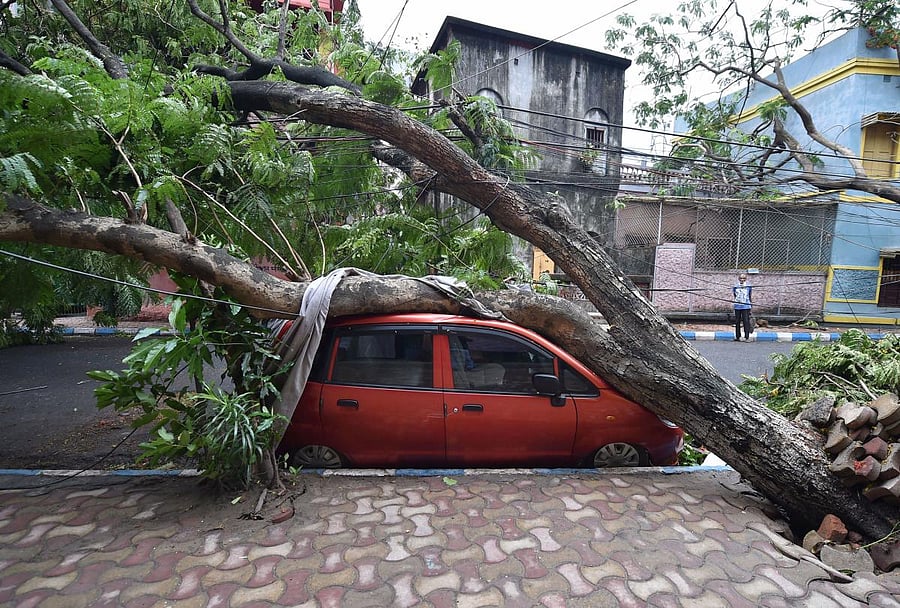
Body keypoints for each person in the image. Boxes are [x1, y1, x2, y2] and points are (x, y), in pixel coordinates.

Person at [732, 273, 753, 341]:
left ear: (745, 279)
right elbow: (735, 295)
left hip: (746, 306)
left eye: (744, 278)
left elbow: (749, 295)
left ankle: (747, 337)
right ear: (739, 279)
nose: (742, 280)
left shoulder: (748, 286)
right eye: (741, 278)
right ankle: (738, 336)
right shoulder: (735, 286)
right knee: (737, 321)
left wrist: (750, 305)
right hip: (737, 306)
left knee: (746, 321)